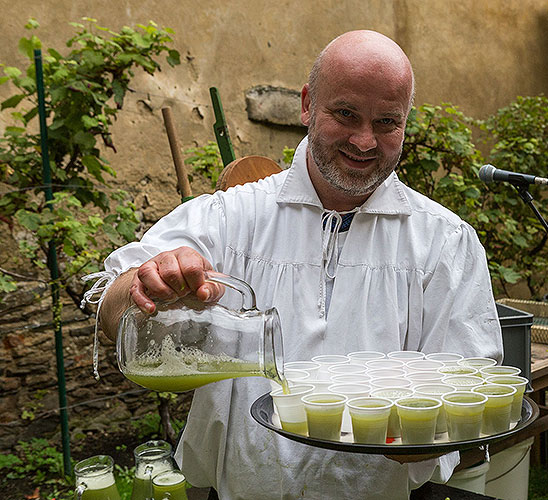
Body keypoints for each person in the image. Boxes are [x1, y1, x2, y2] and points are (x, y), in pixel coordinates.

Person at [96, 30, 503, 499]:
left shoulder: (444, 242)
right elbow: (111, 302)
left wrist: (434, 434)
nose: (365, 141)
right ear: (307, 105)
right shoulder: (232, 217)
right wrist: (146, 283)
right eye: (346, 114)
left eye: (387, 122)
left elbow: (471, 378)